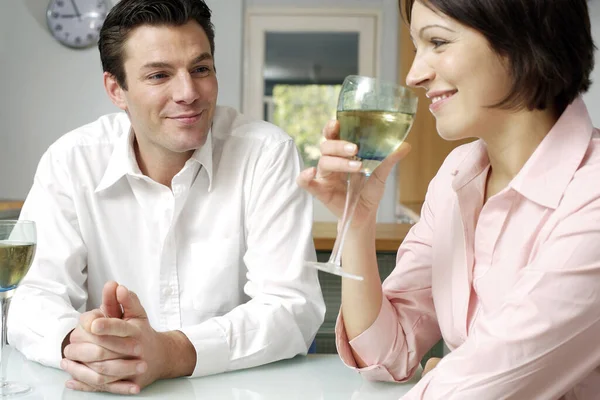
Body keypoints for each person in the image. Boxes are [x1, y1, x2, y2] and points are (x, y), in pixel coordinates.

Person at [8, 0, 325, 395]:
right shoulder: (70, 161)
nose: (188, 93)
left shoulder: (266, 153)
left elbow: (292, 309)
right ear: (116, 89)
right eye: (159, 75)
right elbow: (33, 297)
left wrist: (171, 353)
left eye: (200, 69)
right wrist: (80, 344)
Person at [298, 0, 600, 398]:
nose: (413, 76)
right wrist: (357, 220)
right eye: (416, 46)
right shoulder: (457, 176)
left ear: (523, 40)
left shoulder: (591, 194)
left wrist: (452, 372)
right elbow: (388, 353)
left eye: (438, 42)